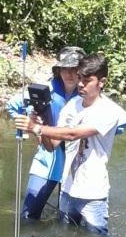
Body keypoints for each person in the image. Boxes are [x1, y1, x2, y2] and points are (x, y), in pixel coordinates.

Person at [14, 53, 126, 235]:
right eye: (80, 79)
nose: (81, 84)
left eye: (87, 80)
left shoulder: (109, 111)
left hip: (92, 194)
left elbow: (72, 134)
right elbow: (51, 145)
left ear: (101, 82)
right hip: (68, 190)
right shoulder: (73, 105)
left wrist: (36, 128)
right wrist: (42, 122)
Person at [7, 47, 84, 219]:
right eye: (65, 69)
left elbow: (121, 122)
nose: (69, 74)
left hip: (75, 160)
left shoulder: (87, 94)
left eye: (74, 69)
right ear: (58, 70)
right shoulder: (45, 89)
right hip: (47, 158)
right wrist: (30, 119)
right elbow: (12, 105)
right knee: (28, 215)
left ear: (82, 71)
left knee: (70, 220)